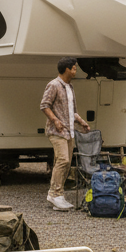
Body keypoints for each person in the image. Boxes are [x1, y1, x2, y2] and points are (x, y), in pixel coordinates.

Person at [40, 58, 91, 211]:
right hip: (57, 131)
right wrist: (55, 120)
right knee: (63, 160)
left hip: (69, 131)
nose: (75, 71)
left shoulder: (70, 87)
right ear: (67, 69)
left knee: (66, 163)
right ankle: (54, 194)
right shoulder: (54, 85)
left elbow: (72, 111)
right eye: (74, 68)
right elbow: (44, 105)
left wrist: (81, 122)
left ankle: (59, 195)